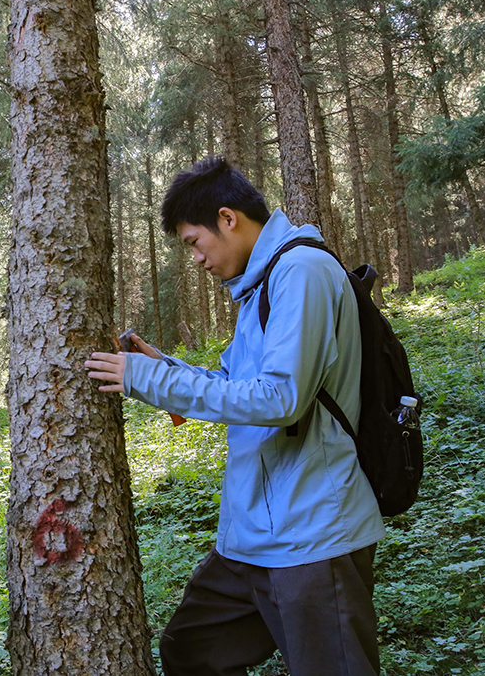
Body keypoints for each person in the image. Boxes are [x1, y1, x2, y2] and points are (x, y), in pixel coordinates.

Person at [85, 157, 384, 676]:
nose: (196, 259)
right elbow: (235, 386)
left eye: (193, 242)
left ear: (227, 218)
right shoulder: (259, 288)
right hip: (255, 538)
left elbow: (280, 397)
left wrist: (148, 379)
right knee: (190, 650)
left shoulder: (301, 272)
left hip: (311, 537)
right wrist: (164, 370)